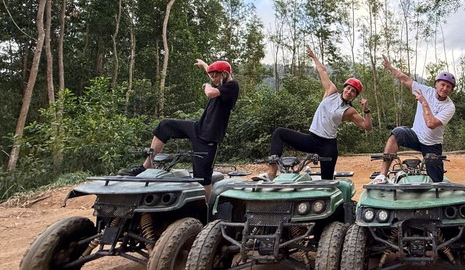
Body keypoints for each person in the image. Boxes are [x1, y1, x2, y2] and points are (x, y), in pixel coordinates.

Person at [119, 59, 239, 200]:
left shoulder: (232, 86)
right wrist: (206, 66)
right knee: (165, 125)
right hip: (198, 128)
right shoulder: (221, 83)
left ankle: (206, 211)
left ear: (225, 74)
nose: (213, 79)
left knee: (202, 178)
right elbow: (213, 79)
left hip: (209, 138)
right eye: (211, 77)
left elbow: (210, 93)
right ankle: (147, 165)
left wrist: (207, 85)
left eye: (215, 76)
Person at [266, 46, 372, 181]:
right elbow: (322, 70)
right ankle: (271, 171)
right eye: (348, 88)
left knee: (326, 183)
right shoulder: (331, 91)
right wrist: (314, 57)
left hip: (328, 146)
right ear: (344, 87)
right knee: (279, 133)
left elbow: (367, 126)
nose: (349, 92)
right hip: (312, 139)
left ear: (354, 96)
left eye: (353, 92)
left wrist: (366, 110)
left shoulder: (350, 111)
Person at [373, 56, 456, 184]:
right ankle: (382, 174)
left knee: (437, 182)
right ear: (436, 84)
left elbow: (431, 124)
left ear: (451, 90)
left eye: (448, 87)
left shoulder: (449, 107)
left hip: (432, 144)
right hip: (415, 135)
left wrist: (424, 103)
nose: (445, 88)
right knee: (397, 133)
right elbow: (404, 79)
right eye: (442, 84)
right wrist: (390, 67)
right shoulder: (425, 90)